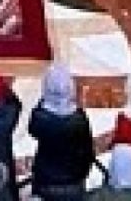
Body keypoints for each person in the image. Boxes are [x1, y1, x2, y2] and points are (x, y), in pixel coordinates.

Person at [28, 65, 95, 201]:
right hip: (73, 181)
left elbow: (32, 130)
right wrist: (82, 173)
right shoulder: (79, 119)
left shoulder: (40, 117)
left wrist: (45, 100)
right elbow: (88, 151)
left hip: (46, 180)